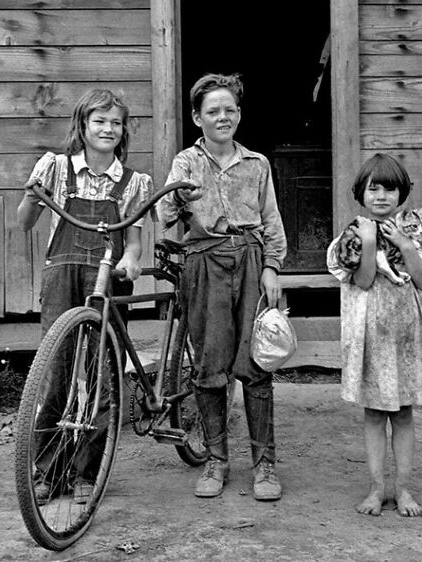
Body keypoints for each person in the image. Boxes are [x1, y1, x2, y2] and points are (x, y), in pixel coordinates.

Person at [17, 88, 153, 504]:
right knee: (55, 372)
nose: (108, 129)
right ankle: (48, 471)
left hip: (106, 278)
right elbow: (24, 222)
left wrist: (131, 260)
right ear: (82, 125)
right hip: (62, 274)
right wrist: (30, 195)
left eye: (115, 122)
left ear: (123, 130)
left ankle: (86, 474)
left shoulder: (134, 182)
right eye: (99, 121)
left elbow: (133, 242)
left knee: (100, 375)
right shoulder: (56, 168)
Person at [157, 73, 287, 501]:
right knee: (211, 367)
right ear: (197, 117)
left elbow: (271, 220)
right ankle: (216, 460)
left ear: (239, 114)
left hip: (250, 260)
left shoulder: (257, 164)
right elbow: (165, 217)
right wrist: (178, 198)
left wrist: (271, 267)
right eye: (213, 110)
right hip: (204, 263)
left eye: (230, 109)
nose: (222, 117)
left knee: (256, 363)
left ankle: (264, 465)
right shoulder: (185, 162)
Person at [327, 153, 422, 517]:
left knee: (405, 414)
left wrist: (406, 246)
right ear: (360, 193)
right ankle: (377, 489)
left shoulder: (413, 233)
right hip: (371, 336)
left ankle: (404, 489)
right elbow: (363, 280)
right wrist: (367, 243)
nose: (381, 196)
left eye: (389, 189)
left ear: (402, 193)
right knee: (376, 415)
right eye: (373, 188)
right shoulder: (353, 234)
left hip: (406, 336)